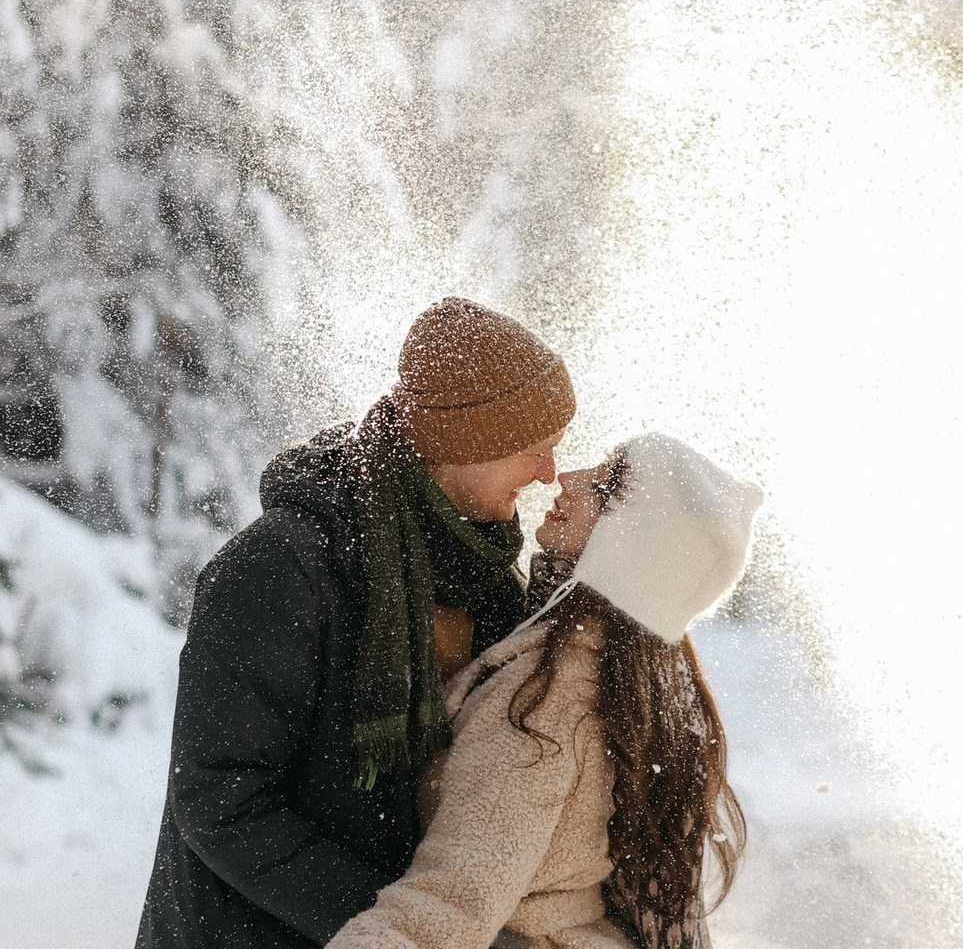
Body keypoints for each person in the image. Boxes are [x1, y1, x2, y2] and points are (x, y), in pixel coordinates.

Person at [136, 297, 578, 949]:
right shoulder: (281, 567)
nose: (548, 472)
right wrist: (399, 925)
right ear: (469, 440)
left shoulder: (483, 575)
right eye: (533, 448)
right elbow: (222, 803)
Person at [326, 431, 762, 949]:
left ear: (633, 549)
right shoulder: (641, 680)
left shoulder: (544, 707)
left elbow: (446, 907)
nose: (567, 478)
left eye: (604, 489)